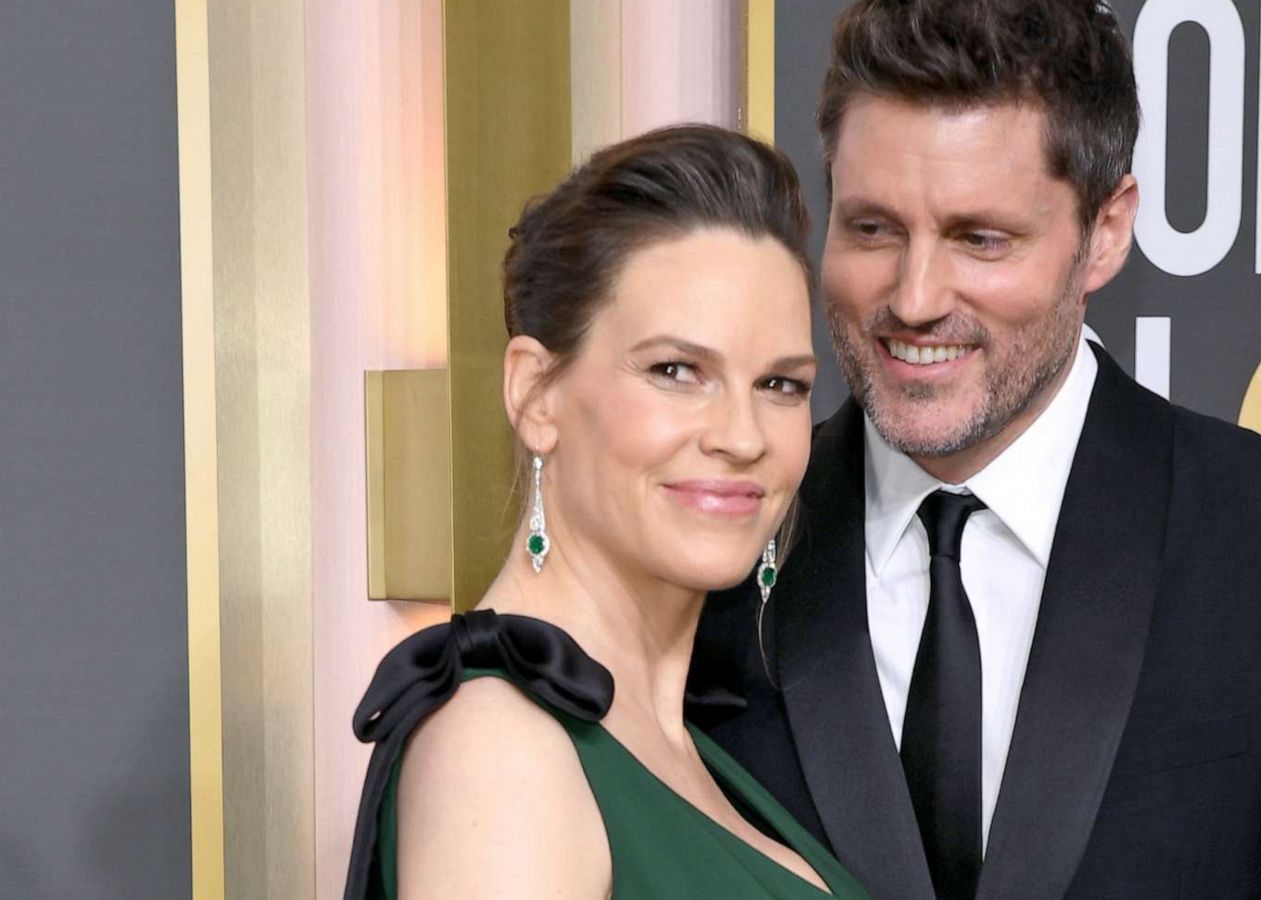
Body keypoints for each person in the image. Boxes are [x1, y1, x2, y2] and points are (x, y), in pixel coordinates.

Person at [689, 2, 1261, 898]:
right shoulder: (719, 543)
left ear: (1105, 232)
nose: (913, 298)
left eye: (980, 239)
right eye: (873, 228)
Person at [344, 125, 872, 899]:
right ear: (535, 395)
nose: (741, 436)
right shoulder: (500, 752)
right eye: (676, 370)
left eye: (781, 385)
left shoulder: (673, 742)